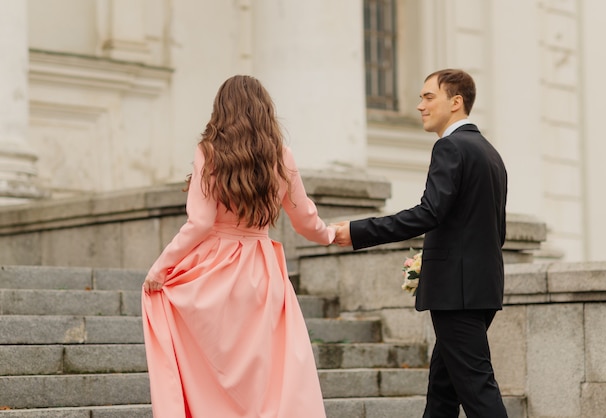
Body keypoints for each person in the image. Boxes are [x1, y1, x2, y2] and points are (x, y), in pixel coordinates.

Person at [142, 75, 334, 418]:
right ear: (265, 111)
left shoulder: (209, 152)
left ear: (222, 110)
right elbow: (305, 219)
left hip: (214, 269)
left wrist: (162, 265)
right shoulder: (282, 156)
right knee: (265, 372)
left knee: (215, 371)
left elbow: (199, 222)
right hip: (262, 272)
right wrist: (331, 234)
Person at [333, 69, 508, 417]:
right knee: (442, 394)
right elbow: (494, 230)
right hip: (479, 288)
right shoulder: (490, 153)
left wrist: (358, 231)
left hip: (456, 294)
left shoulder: (450, 146)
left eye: (429, 97)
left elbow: (429, 212)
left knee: (477, 391)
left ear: (456, 102)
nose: (419, 106)